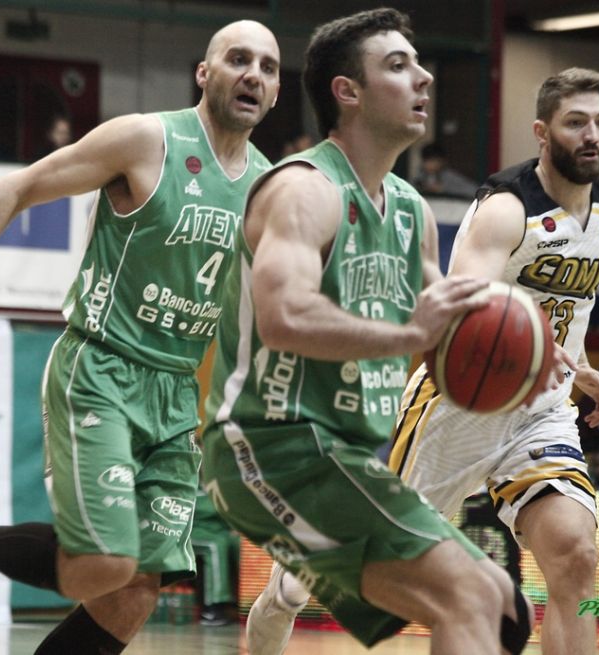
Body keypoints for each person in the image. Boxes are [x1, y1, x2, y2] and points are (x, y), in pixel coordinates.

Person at [0, 20, 280, 654]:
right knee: (105, 561)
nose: (253, 74)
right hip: (101, 369)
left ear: (277, 92)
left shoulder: (271, 186)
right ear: (205, 73)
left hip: (177, 393)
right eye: (238, 59)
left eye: (268, 67)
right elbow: (18, 186)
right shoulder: (146, 140)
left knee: (138, 588)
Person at [203, 9, 532, 655]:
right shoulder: (304, 189)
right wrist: (408, 334)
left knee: (502, 605)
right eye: (398, 66)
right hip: (271, 445)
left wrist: (533, 359)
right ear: (347, 92)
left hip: (345, 454)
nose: (424, 78)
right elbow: (285, 317)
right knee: (468, 597)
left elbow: (448, 330)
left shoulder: (411, 210)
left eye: (419, 64)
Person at [376, 67, 599, 655]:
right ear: (542, 132)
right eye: (575, 122)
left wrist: (580, 365)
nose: (591, 135)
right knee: (380, 566)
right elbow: (465, 308)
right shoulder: (506, 210)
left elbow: (572, 302)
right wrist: (538, 346)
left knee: (576, 555)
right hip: (463, 398)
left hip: (542, 408)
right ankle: (283, 599)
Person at [191, 486, 239, 626]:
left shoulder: (222, 482)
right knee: (216, 547)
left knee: (243, 544)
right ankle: (214, 607)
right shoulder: (193, 483)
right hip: (194, 531)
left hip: (220, 531)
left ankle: (246, 603)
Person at [412, 141, 477, 197]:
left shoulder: (450, 177)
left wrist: (444, 189)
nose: (431, 165)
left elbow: (474, 190)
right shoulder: (419, 177)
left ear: (442, 161)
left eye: (434, 161)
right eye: (428, 161)